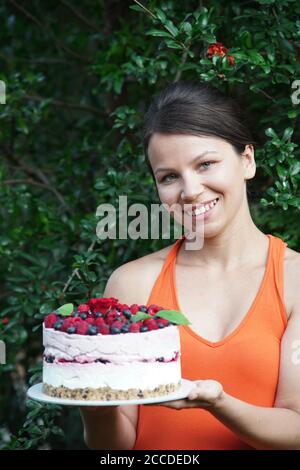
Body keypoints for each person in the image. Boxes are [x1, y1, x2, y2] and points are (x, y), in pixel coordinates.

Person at [80, 80, 300, 450]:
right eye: (169, 176)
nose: (191, 190)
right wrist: (91, 398)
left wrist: (217, 403)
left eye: (206, 164)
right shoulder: (132, 284)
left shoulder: (294, 279)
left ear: (247, 160)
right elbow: (114, 448)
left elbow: (295, 429)